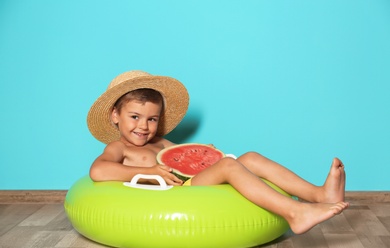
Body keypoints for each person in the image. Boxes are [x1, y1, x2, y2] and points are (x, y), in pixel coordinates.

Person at [87, 70, 349, 235]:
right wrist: (149, 171)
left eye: (152, 119)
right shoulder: (118, 147)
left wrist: (205, 156)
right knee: (230, 167)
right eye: (135, 116)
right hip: (177, 193)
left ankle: (318, 193)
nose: (144, 126)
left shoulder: (162, 143)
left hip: (189, 182)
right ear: (115, 116)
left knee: (250, 157)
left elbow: (185, 161)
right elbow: (98, 170)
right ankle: (295, 213)